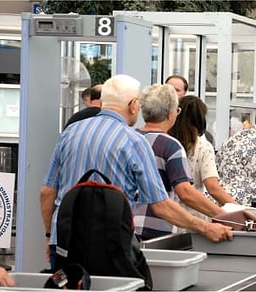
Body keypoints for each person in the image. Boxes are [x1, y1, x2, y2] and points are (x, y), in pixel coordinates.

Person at [40, 75, 232, 269]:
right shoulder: (133, 141)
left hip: (65, 239)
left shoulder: (70, 133)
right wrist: (205, 227)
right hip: (109, 244)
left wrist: (50, 235)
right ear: (133, 105)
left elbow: (47, 193)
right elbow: (161, 205)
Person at [133, 85, 228, 239]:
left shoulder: (129, 138)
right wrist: (224, 215)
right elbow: (185, 192)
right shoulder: (170, 146)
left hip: (126, 226)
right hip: (157, 228)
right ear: (170, 114)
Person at [168, 96, 236, 209]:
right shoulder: (203, 147)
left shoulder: (167, 143)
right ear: (200, 120)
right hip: (192, 212)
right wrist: (239, 208)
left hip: (168, 211)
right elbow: (213, 188)